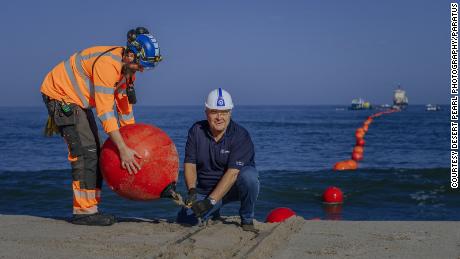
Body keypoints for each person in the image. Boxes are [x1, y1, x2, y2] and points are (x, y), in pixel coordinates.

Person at [40, 27, 162, 226]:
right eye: (142, 65)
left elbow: (124, 108)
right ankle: (84, 212)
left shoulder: (128, 70)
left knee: (95, 150)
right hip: (61, 96)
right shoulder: (108, 65)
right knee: (85, 151)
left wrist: (133, 141)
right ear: (131, 54)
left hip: (79, 100)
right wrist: (122, 149)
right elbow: (105, 112)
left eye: (147, 67)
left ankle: (92, 207)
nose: (142, 69)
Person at [176, 88, 260, 232]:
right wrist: (191, 190)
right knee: (185, 221)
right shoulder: (196, 130)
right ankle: (214, 212)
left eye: (224, 112)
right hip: (206, 190)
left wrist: (210, 202)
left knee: (250, 177)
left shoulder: (240, 135)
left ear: (230, 113)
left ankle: (246, 219)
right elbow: (190, 163)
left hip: (233, 189)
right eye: (214, 111)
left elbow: (233, 173)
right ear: (206, 112)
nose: (219, 117)